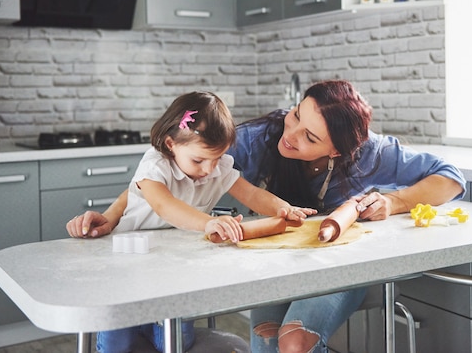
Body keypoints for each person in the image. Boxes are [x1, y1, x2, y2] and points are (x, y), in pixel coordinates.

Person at [67, 80, 466, 353]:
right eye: (295, 116)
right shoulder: (254, 140)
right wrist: (112, 215)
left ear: (338, 152)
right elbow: (160, 184)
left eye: (310, 137)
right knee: (265, 339)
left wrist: (394, 202)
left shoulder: (372, 153)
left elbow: (450, 178)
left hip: (336, 263)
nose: (290, 133)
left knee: (293, 342)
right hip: (273, 264)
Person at [77, 91, 316, 353]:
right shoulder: (155, 165)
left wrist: (284, 209)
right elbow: (164, 206)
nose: (208, 170)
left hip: (175, 266)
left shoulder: (217, 166)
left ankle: (147, 325)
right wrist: (208, 223)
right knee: (119, 343)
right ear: (171, 144)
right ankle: (128, 328)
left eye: (216, 159)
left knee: (178, 339)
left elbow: (251, 194)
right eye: (199, 160)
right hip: (130, 264)